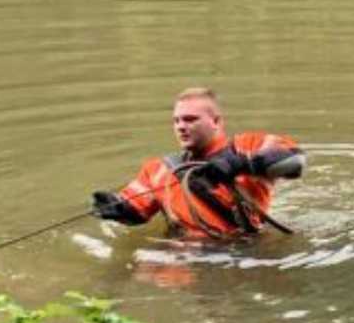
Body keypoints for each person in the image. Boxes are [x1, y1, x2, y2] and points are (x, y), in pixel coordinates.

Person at [91, 88, 305, 238]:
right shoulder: (159, 168)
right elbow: (136, 211)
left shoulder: (246, 145)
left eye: (190, 119)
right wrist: (115, 207)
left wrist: (238, 163)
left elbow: (293, 161)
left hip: (243, 252)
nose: (181, 126)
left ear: (216, 122)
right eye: (176, 120)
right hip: (184, 259)